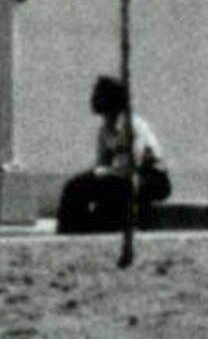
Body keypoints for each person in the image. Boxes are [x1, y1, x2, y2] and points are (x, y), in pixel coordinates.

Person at [55, 74, 174, 239]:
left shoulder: (133, 126)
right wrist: (100, 173)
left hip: (150, 179)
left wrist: (103, 173)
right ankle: (72, 232)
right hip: (118, 176)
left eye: (98, 94)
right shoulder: (105, 129)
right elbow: (102, 163)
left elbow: (134, 163)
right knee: (75, 188)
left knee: (92, 187)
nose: (93, 99)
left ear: (112, 99)